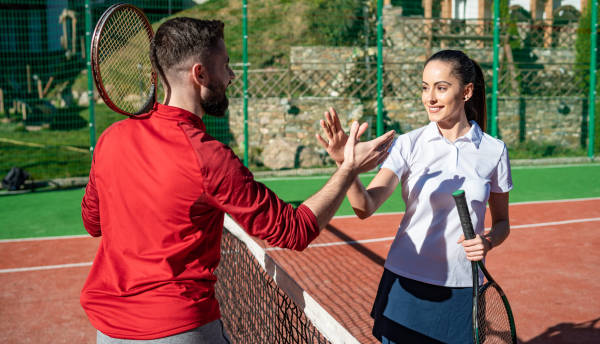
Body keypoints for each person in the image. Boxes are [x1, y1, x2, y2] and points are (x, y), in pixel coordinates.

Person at [80, 17, 395, 343]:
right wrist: (347, 169)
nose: (231, 76)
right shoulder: (208, 157)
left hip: (110, 332)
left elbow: (93, 222)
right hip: (180, 329)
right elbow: (294, 230)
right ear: (199, 74)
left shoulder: (109, 139)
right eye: (226, 65)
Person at [316, 49, 512, 343]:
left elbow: (502, 224)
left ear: (467, 91)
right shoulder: (408, 144)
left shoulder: (494, 151)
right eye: (424, 87)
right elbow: (364, 206)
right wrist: (347, 166)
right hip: (404, 284)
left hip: (462, 287)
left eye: (441, 88)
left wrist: (488, 241)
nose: (429, 98)